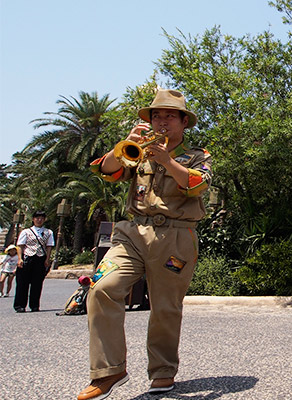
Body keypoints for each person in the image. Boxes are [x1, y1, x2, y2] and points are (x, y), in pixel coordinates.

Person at [77, 89, 212, 400]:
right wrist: (124, 144)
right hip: (132, 232)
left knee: (165, 308)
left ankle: (163, 372)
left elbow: (198, 185)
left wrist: (168, 161)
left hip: (175, 237)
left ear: (183, 122)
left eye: (168, 115)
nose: (161, 121)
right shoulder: (137, 150)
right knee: (102, 288)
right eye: (156, 115)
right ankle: (109, 371)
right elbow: (107, 171)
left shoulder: (197, 156)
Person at [14, 210, 54, 313]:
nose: (39, 220)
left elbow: (49, 247)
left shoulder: (48, 232)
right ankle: (20, 305)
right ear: (33, 219)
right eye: (37, 218)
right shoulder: (26, 232)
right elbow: (20, 246)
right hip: (28, 257)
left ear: (44, 219)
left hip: (40, 258)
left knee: (37, 283)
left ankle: (34, 305)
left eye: (41, 218)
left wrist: (47, 259)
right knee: (23, 283)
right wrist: (20, 259)